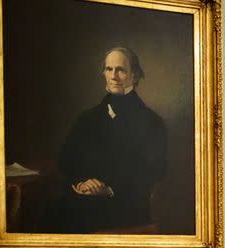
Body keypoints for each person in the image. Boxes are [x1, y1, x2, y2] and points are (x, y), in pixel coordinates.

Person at [55, 46, 166, 233]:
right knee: (55, 211)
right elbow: (67, 160)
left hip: (127, 205)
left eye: (121, 70)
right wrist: (83, 182)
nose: (114, 76)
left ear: (134, 76)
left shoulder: (152, 122)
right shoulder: (87, 118)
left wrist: (108, 190)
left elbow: (154, 171)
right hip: (84, 197)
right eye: (109, 69)